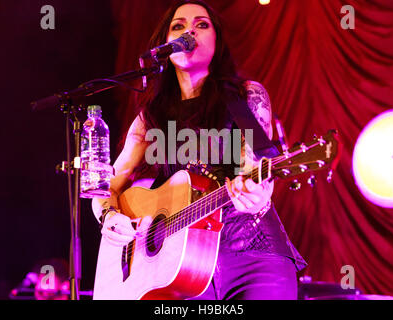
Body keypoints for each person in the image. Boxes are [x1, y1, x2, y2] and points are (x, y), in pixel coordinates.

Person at [92, 0, 306, 300]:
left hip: (253, 251)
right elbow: (107, 185)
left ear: (217, 42)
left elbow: (255, 165)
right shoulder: (150, 117)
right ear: (165, 44)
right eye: (178, 26)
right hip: (180, 266)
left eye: (201, 25)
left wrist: (257, 195)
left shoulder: (246, 95)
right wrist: (111, 217)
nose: (189, 30)